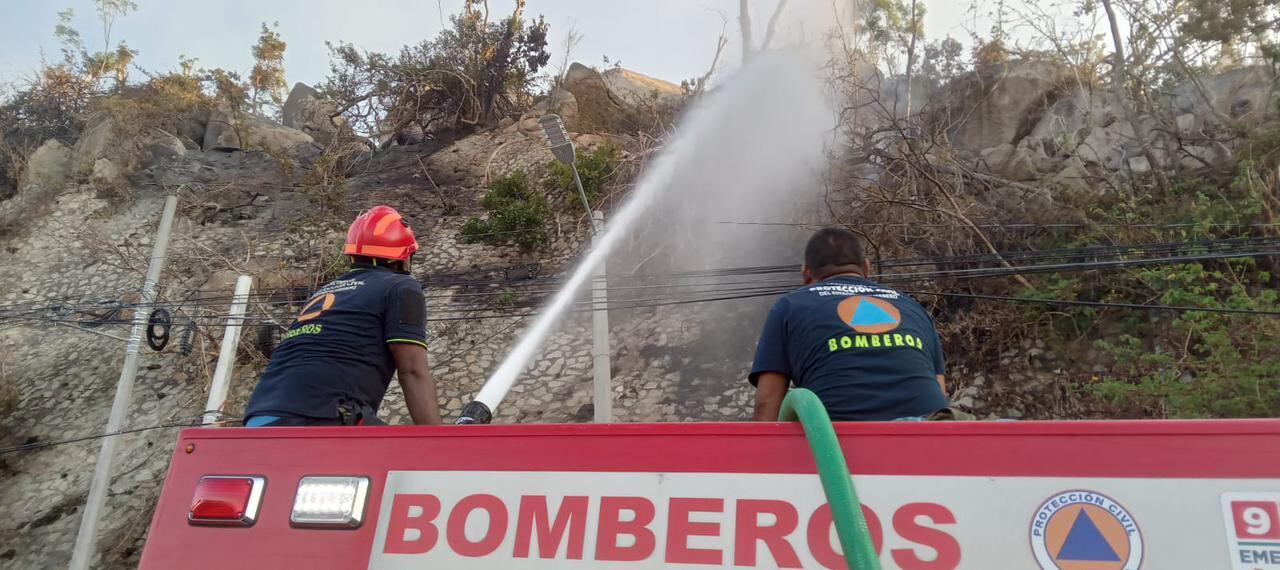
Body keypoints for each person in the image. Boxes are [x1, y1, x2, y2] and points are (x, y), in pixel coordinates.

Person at [243, 205, 444, 427]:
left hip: (259, 417)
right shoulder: (401, 286)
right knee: (406, 458)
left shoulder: (323, 292)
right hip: (320, 417)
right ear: (401, 257)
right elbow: (412, 371)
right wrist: (440, 447)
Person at [749, 227, 949, 421]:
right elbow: (939, 390)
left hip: (834, 442)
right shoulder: (912, 306)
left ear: (806, 273)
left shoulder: (789, 306)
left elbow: (767, 403)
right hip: (928, 434)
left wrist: (760, 453)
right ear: (867, 267)